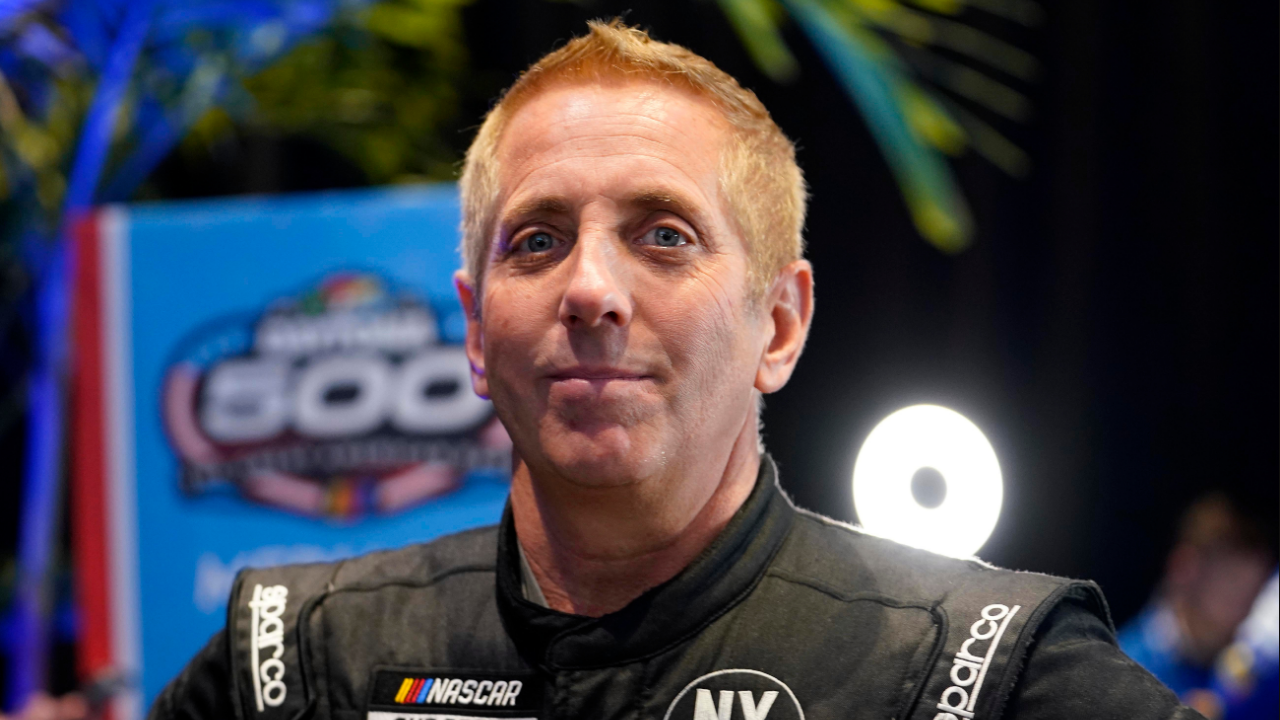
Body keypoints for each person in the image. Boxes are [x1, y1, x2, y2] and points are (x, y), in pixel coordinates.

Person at [149, 20, 1203, 720]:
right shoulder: (296, 655)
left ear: (778, 325)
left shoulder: (974, 667)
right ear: (475, 332)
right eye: (535, 240)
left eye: (661, 236)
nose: (589, 289)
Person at [1118, 494, 1274, 716]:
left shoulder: (1253, 672)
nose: (1247, 607)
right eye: (1232, 583)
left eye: (1257, 590)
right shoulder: (1122, 670)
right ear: (1185, 569)